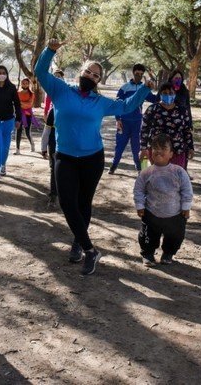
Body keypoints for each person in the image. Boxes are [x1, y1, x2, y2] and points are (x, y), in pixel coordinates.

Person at [35, 39, 154, 275]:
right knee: (67, 202)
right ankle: (91, 250)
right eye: (88, 71)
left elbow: (128, 106)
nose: (90, 76)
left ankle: (79, 243)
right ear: (80, 72)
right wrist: (50, 50)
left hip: (92, 159)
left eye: (96, 75)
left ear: (99, 81)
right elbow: (40, 71)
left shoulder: (100, 102)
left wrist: (145, 88)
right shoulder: (60, 90)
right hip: (65, 157)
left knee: (83, 203)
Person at [134, 133, 192, 266]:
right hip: (151, 213)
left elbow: (187, 190)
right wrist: (140, 205)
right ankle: (148, 254)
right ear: (150, 152)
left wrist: (186, 207)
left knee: (175, 236)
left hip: (175, 214)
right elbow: (138, 190)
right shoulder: (146, 173)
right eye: (155, 148)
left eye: (163, 149)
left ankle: (168, 254)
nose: (158, 151)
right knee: (148, 236)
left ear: (171, 153)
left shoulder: (179, 171)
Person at [108, 64, 158, 174]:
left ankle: (139, 167)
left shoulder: (144, 88)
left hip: (137, 122)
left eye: (141, 74)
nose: (139, 76)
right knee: (120, 146)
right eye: (137, 74)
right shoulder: (124, 88)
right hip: (124, 122)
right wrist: (118, 119)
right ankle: (113, 166)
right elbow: (117, 104)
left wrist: (163, 91)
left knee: (137, 147)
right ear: (133, 73)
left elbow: (154, 99)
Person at [140, 82, 194, 169]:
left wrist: (191, 147)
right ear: (160, 94)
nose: (168, 95)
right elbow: (144, 129)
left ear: (175, 94)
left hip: (177, 151)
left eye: (171, 93)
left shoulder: (182, 110)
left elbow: (187, 130)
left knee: (175, 179)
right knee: (158, 178)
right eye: (165, 93)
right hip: (157, 151)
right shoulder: (152, 109)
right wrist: (143, 148)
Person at [39, 70, 64, 208]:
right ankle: (53, 195)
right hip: (54, 146)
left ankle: (64, 194)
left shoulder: (71, 111)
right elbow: (47, 131)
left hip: (67, 147)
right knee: (54, 169)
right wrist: (43, 148)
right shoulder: (52, 112)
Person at [14, 77, 35, 154]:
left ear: (28, 84)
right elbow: (16, 104)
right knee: (18, 130)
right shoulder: (17, 93)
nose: (25, 84)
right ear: (21, 84)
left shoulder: (31, 94)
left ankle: (32, 144)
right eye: (23, 83)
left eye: (26, 83)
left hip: (28, 115)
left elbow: (29, 104)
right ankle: (17, 149)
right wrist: (20, 103)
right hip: (19, 114)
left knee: (27, 132)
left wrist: (20, 103)